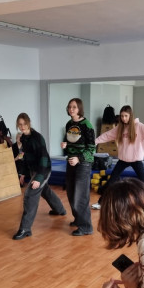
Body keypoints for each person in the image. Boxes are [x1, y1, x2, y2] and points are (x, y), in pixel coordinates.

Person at [91, 105, 144, 210]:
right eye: (122, 116)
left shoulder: (139, 127)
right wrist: (94, 141)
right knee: (111, 181)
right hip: (123, 160)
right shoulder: (120, 128)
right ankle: (101, 202)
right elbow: (106, 135)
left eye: (126, 116)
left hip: (136, 160)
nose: (124, 118)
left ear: (130, 115)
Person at [12, 113, 66, 240]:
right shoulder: (23, 138)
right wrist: (22, 173)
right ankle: (60, 209)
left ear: (29, 123)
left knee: (30, 195)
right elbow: (25, 157)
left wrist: (39, 178)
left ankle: (25, 229)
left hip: (43, 170)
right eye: (20, 124)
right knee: (45, 190)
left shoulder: (37, 138)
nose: (22, 126)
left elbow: (43, 158)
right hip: (33, 170)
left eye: (24, 124)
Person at [61, 98, 95, 236]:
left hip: (83, 163)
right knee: (71, 192)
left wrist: (79, 159)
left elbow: (91, 148)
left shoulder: (87, 125)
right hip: (71, 161)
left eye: (74, 107)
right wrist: (65, 145)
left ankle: (86, 227)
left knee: (80, 195)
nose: (71, 109)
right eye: (69, 107)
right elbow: (70, 141)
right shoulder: (69, 124)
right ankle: (78, 219)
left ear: (79, 108)